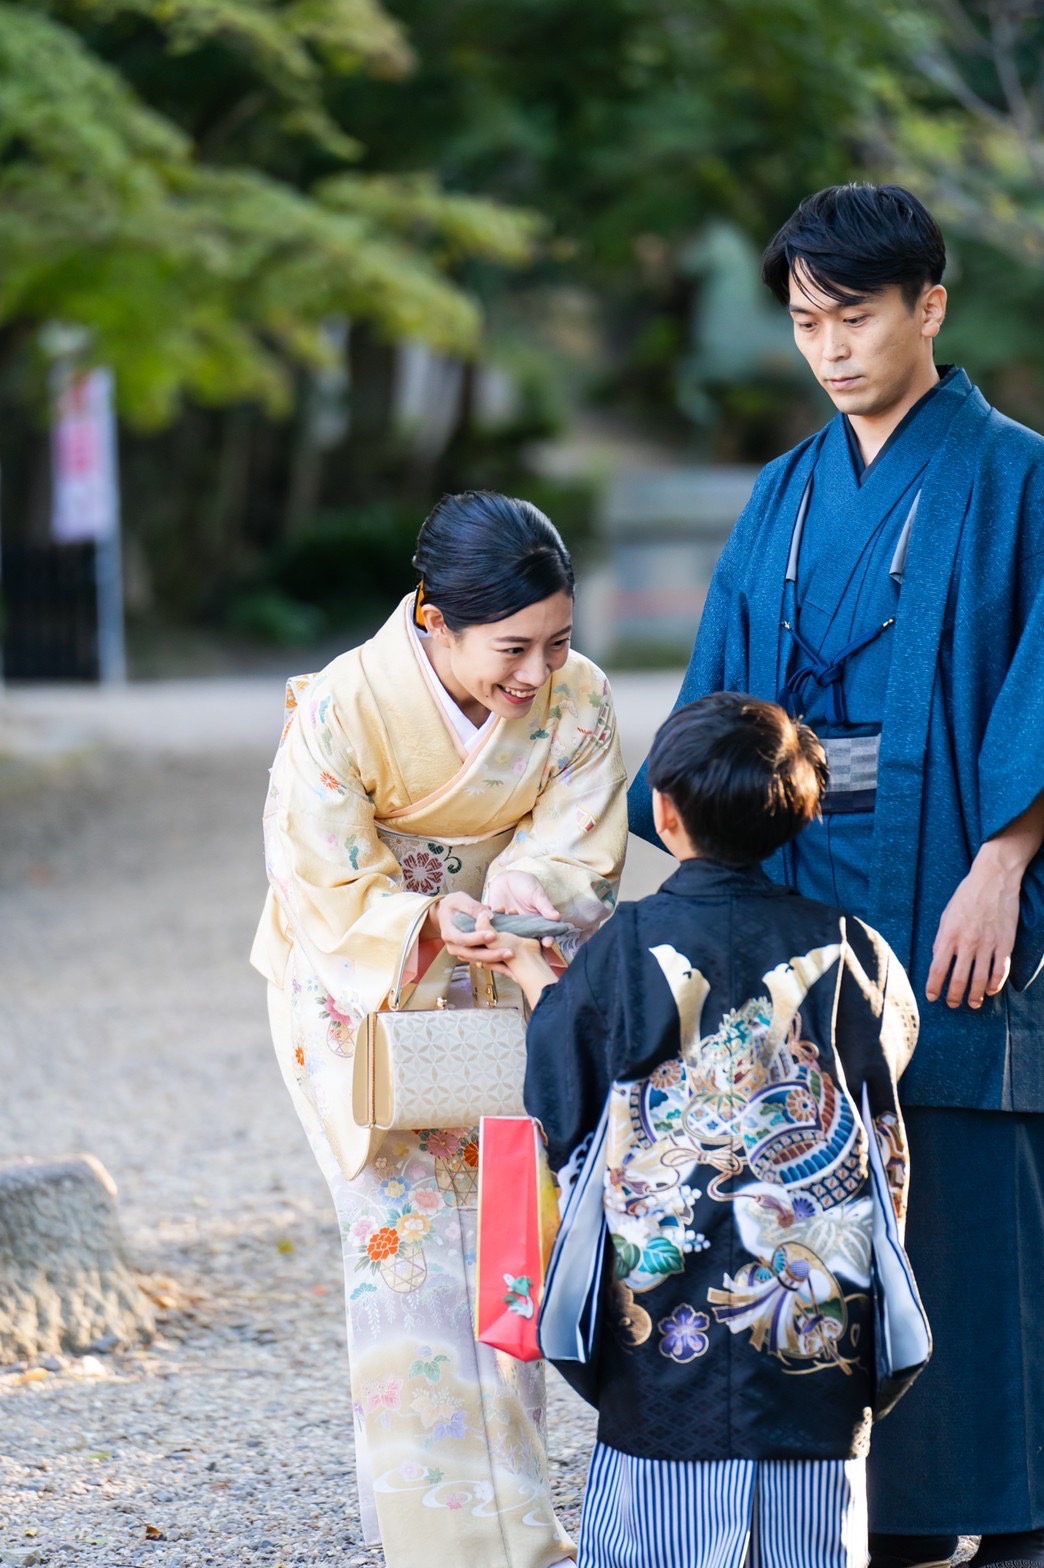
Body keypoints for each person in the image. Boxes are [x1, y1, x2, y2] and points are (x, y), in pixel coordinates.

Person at [628, 184, 1044, 1568]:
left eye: (855, 316)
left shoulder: (1019, 477)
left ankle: (993, 1502)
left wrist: (1007, 857)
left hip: (954, 872)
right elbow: (721, 705)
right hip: (795, 876)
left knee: (964, 1180)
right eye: (807, 322)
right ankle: (831, 1505)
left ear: (931, 304)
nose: (831, 349)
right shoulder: (784, 496)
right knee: (804, 1182)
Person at [251, 490, 628, 1567]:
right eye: (512, 647)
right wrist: (423, 918)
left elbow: (579, 841)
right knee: (405, 1252)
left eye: (558, 642)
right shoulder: (342, 705)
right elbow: (320, 875)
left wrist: (514, 895)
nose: (537, 673)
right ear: (433, 620)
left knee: (514, 1239)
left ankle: (523, 1522)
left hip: (509, 972)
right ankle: (439, 1536)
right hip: (370, 993)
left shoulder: (580, 700)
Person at [495, 693, 921, 1568]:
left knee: (661, 1501)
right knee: (811, 1514)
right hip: (809, 1304)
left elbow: (563, 1096)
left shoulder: (627, 943)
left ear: (664, 810)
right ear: (797, 814)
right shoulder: (849, 947)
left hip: (666, 1304)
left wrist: (537, 975)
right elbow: (885, 1081)